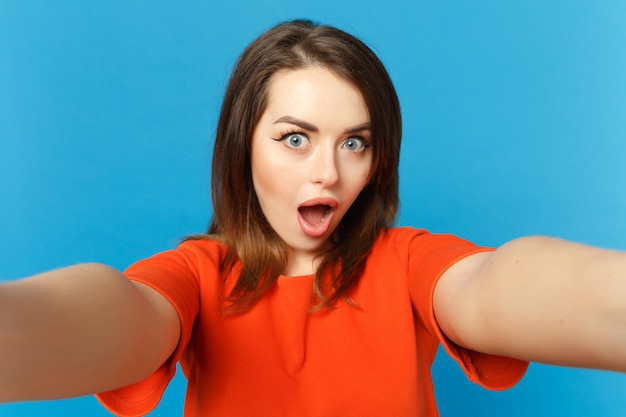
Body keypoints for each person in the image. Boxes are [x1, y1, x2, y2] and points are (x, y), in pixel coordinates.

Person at [1, 18, 625, 417]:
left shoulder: (407, 263)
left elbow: (496, 284)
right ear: (243, 145)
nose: (328, 172)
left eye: (355, 142)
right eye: (296, 138)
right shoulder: (195, 275)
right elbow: (114, 317)